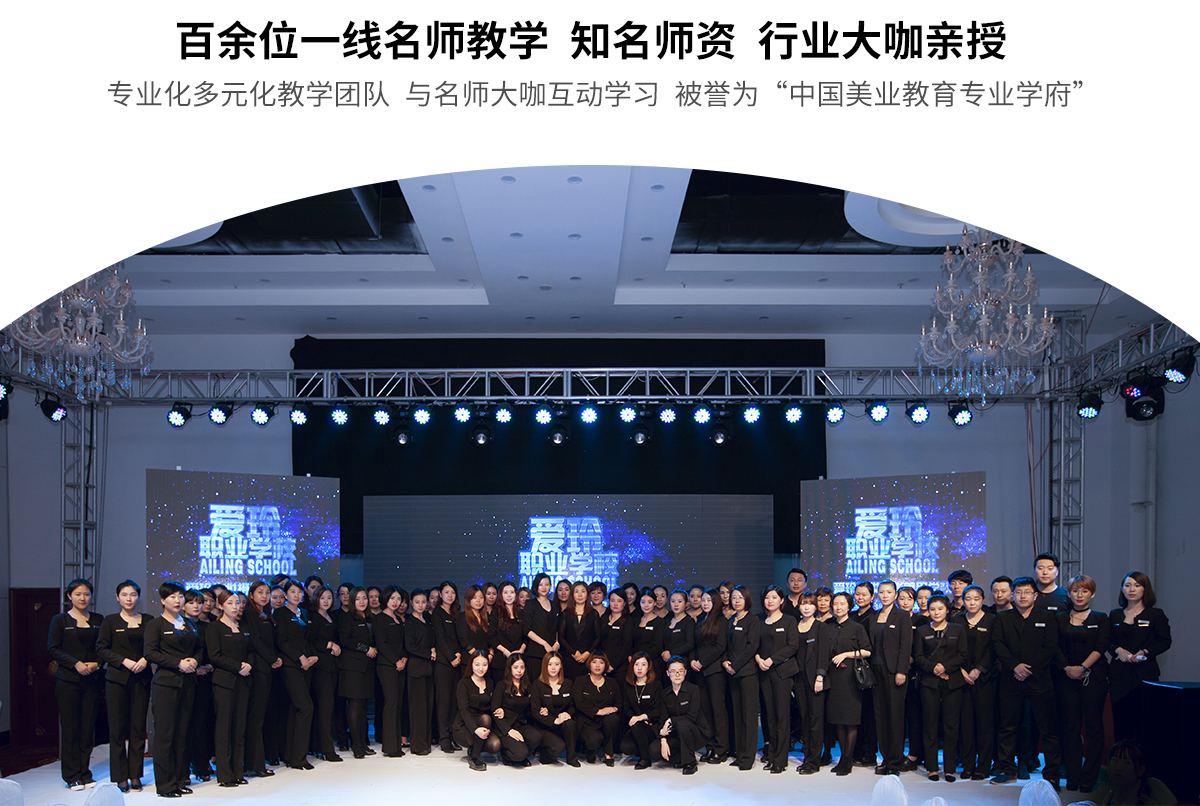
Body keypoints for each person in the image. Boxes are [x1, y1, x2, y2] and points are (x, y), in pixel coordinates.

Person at [990, 577, 1062, 789]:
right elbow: (998, 644)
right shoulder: (1002, 618)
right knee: (1007, 726)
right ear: (1013, 595)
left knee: (1047, 728)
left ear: (1035, 595)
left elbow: (1050, 646)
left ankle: (1052, 774)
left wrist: (1029, 668)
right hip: (1011, 679)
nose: (1022, 596)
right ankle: (1007, 769)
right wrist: (1015, 666)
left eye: (1027, 592)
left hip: (1039, 679)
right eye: (1019, 592)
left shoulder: (1047, 618)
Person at [143, 581, 201, 798]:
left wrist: (195, 660)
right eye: (172, 597)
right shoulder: (155, 625)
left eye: (180, 596)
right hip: (166, 684)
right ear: (162, 600)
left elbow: (200, 647)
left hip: (188, 683)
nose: (177, 601)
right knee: (165, 735)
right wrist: (178, 663)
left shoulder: (189, 623)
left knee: (182, 733)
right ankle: (165, 784)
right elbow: (150, 653)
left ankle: (179, 779)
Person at [1053, 574, 1108, 793]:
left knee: (1093, 728)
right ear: (1069, 594)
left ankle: (1089, 778)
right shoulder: (1059, 618)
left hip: (1092, 678)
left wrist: (1083, 667)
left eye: (1084, 591)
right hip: (1066, 678)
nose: (1079, 595)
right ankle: (1072, 776)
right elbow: (1054, 647)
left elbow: (1101, 646)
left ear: (1092, 594)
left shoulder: (1101, 618)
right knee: (1070, 728)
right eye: (1075, 591)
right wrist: (1068, 668)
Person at [48, 578, 104, 792]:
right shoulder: (60, 620)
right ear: (69, 596)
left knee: (88, 728)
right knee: (71, 728)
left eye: (86, 594)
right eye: (78, 594)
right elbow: (53, 648)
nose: (83, 598)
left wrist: (97, 663)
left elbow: (104, 647)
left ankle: (84, 772)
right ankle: (71, 775)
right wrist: (75, 663)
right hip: (68, 681)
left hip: (92, 680)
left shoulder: (98, 619)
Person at [97, 580, 151, 793]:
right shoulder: (110, 621)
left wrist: (145, 659)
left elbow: (154, 646)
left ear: (139, 597)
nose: (129, 599)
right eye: (125, 595)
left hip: (141, 678)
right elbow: (101, 648)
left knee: (138, 728)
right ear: (117, 598)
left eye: (133, 595)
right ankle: (120, 776)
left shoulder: (148, 620)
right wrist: (124, 661)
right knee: (117, 729)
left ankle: (135, 774)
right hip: (117, 680)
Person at [1108, 571, 1171, 744]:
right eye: (1127, 585)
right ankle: (1122, 758)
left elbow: (1165, 641)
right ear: (1122, 589)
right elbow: (1107, 641)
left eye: (1137, 585)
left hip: (1145, 674)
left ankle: (1145, 760)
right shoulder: (1115, 615)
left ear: (1145, 589)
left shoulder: (1155, 614)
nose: (1132, 589)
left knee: (1146, 723)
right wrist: (1117, 650)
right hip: (1119, 676)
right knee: (1121, 723)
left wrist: (1145, 652)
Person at [914, 593, 968, 782]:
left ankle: (950, 768)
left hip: (953, 682)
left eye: (940, 609)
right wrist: (934, 669)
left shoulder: (957, 629)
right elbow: (918, 657)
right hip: (929, 683)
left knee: (951, 725)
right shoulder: (922, 630)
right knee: (929, 725)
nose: (936, 612)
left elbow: (962, 654)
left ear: (947, 610)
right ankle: (932, 768)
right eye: (932, 609)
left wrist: (945, 667)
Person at [206, 589, 252, 787]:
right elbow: (214, 656)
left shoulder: (242, 627)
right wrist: (238, 666)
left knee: (239, 728)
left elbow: (250, 651)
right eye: (230, 603)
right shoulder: (214, 628)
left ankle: (238, 771)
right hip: (224, 682)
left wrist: (248, 664)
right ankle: (225, 775)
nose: (235, 607)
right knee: (224, 729)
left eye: (237, 603)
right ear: (220, 605)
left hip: (243, 681)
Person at [825, 591, 872, 776]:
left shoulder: (856, 627)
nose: (838, 607)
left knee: (850, 720)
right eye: (835, 604)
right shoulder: (828, 627)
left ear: (849, 606)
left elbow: (867, 651)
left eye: (842, 604)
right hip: (833, 677)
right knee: (838, 719)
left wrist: (846, 654)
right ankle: (843, 758)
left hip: (850, 678)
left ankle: (847, 760)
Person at [870, 580, 914, 775]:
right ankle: (886, 758)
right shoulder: (874, 616)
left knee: (894, 716)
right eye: (881, 592)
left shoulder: (902, 615)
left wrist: (901, 671)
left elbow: (906, 645)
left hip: (894, 671)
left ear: (895, 595)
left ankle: (895, 762)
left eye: (889, 592)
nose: (885, 595)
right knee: (880, 716)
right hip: (876, 670)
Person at [953, 584, 996, 781]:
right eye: (968, 599)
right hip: (961, 678)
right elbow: (952, 650)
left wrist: (978, 670)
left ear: (983, 600)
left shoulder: (992, 620)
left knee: (984, 724)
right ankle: (968, 764)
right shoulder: (957, 621)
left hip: (984, 678)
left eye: (976, 599)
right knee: (965, 724)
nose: (972, 603)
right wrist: (962, 671)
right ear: (963, 601)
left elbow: (992, 649)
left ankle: (983, 766)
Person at [756, 584, 800, 773]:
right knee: (770, 717)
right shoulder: (760, 622)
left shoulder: (789, 621)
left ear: (782, 600)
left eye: (774, 597)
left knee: (782, 717)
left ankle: (781, 760)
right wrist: (759, 659)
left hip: (782, 673)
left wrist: (772, 660)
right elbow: (754, 645)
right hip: (764, 673)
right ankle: (772, 755)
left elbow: (793, 646)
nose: (770, 601)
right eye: (767, 597)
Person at [275, 580, 316, 771]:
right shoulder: (280, 613)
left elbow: (309, 639)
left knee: (296, 710)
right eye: (292, 592)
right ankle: (299, 758)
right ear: (285, 595)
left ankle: (291, 755)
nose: (297, 595)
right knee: (306, 707)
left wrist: (312, 657)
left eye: (299, 592)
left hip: (306, 666)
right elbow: (282, 640)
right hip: (291, 665)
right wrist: (300, 657)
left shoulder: (304, 613)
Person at [243, 579, 281, 778]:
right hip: (258, 669)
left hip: (266, 668)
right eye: (260, 592)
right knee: (255, 718)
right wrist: (273, 659)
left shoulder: (265, 614)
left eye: (267, 592)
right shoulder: (250, 613)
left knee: (260, 717)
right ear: (251, 595)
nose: (265, 596)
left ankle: (256, 762)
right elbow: (256, 641)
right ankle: (254, 764)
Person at [722, 584, 761, 771]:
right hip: (732, 673)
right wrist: (725, 662)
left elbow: (751, 647)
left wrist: (735, 665)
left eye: (740, 597)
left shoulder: (752, 620)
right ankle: (739, 753)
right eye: (734, 597)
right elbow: (727, 645)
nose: (736, 601)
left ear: (747, 599)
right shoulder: (731, 620)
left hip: (747, 673)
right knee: (737, 715)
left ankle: (748, 757)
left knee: (749, 716)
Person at [793, 592, 831, 775]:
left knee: (815, 720)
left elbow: (824, 654)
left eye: (810, 603)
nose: (807, 607)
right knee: (805, 719)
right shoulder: (794, 626)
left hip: (815, 680)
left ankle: (814, 761)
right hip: (798, 679)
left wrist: (820, 676)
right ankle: (807, 756)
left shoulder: (821, 627)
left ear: (816, 607)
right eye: (803, 603)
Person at [338, 586, 377, 759]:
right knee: (354, 704)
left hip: (367, 668)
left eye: (364, 598)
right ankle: (356, 745)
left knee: (362, 706)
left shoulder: (370, 618)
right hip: (352, 668)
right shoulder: (347, 618)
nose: (362, 601)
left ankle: (363, 742)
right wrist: (365, 648)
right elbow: (345, 640)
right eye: (358, 598)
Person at [656, 656, 711, 775]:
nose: (677, 674)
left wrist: (671, 720)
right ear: (668, 673)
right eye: (673, 671)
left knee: (682, 724)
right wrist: (663, 740)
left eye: (680, 671)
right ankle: (681, 758)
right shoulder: (664, 694)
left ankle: (690, 763)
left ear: (685, 672)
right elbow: (662, 720)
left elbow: (692, 717)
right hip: (677, 735)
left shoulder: (693, 689)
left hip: (696, 733)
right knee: (654, 750)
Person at [306, 585, 343, 763]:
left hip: (332, 666)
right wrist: (328, 644)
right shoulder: (312, 617)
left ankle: (320, 746)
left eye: (329, 597)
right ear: (316, 599)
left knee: (328, 707)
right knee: (324, 707)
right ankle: (326, 749)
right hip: (320, 668)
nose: (326, 601)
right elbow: (310, 641)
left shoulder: (331, 616)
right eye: (322, 598)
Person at [692, 587, 729, 764]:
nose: (705, 603)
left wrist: (702, 662)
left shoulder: (721, 621)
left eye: (709, 600)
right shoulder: (701, 619)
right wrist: (694, 661)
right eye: (703, 600)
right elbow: (696, 644)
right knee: (705, 711)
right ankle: (710, 746)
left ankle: (721, 749)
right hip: (700, 671)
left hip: (715, 671)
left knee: (717, 710)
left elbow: (720, 647)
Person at [181, 590, 214, 782]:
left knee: (202, 723)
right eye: (192, 602)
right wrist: (194, 668)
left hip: (206, 680)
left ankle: (202, 765)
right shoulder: (178, 625)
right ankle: (184, 768)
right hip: (184, 677)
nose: (197, 606)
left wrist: (208, 666)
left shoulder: (207, 626)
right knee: (185, 725)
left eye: (199, 602)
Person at [373, 585, 409, 758]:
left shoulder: (398, 619)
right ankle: (389, 746)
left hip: (401, 665)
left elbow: (402, 643)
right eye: (392, 598)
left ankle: (396, 744)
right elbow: (382, 643)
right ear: (385, 598)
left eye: (398, 599)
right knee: (391, 703)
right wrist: (396, 660)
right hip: (387, 666)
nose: (396, 602)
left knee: (398, 704)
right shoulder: (379, 619)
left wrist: (404, 658)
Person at [491, 654, 542, 767]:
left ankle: (522, 755)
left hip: (520, 724)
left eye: (522, 667)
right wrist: (509, 730)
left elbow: (530, 710)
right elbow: (495, 711)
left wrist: (542, 710)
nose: (519, 670)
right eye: (515, 667)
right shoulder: (501, 685)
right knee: (519, 753)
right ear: (510, 668)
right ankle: (507, 755)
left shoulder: (528, 686)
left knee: (536, 737)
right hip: (504, 725)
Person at [1090, 740, 1179, 805]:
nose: (1118, 767)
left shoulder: (1152, 786)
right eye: (1115, 760)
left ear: (1141, 770)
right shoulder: (1110, 797)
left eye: (1127, 762)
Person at [531, 651, 580, 766]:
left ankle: (572, 758)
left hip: (562, 724)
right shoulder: (537, 684)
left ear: (561, 666)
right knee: (558, 747)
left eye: (556, 664)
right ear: (545, 666)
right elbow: (535, 711)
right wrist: (554, 720)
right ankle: (544, 753)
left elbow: (573, 706)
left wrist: (568, 714)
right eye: (550, 664)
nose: (553, 668)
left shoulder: (568, 683)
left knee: (571, 724)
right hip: (544, 726)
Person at [453, 650, 499, 771]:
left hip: (484, 724)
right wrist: (475, 729)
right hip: (464, 726)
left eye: (484, 664)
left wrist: (499, 710)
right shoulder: (464, 683)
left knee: (495, 745)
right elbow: (464, 710)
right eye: (477, 664)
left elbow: (492, 706)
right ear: (471, 665)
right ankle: (475, 756)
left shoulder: (490, 682)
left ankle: (475, 747)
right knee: (485, 718)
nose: (481, 668)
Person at [432, 580, 463, 753]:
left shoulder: (456, 613)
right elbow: (441, 639)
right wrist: (451, 657)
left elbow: (459, 637)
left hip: (456, 663)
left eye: (452, 592)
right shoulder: (437, 613)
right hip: (444, 663)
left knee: (453, 702)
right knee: (443, 702)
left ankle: (452, 736)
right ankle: (444, 739)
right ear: (440, 595)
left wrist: (458, 654)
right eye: (446, 592)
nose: (450, 595)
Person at [573, 652, 621, 764]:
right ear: (589, 664)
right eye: (594, 662)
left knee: (613, 719)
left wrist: (614, 709)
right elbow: (579, 703)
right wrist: (598, 711)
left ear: (605, 665)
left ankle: (608, 753)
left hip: (606, 720)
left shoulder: (612, 682)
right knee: (594, 739)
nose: (598, 665)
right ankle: (590, 752)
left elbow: (619, 702)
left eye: (601, 662)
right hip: (587, 720)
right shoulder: (580, 681)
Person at [404, 588, 436, 755]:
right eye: (417, 602)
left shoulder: (427, 620)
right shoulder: (410, 622)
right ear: (411, 603)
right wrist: (428, 653)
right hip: (416, 669)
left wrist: (433, 649)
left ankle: (425, 742)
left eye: (423, 602)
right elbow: (410, 646)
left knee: (427, 708)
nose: (421, 605)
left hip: (428, 670)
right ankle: (417, 745)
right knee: (417, 709)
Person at [851, 580, 879, 768]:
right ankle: (855, 751)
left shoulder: (875, 617)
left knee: (869, 714)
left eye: (864, 594)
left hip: (868, 669)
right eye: (857, 594)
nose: (860, 597)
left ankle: (869, 753)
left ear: (872, 597)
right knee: (855, 712)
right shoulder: (851, 616)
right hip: (851, 670)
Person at [621, 652, 663, 770]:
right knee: (625, 747)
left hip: (652, 725)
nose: (639, 668)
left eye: (643, 664)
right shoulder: (628, 685)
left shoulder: (656, 685)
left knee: (638, 726)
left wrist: (642, 717)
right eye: (636, 664)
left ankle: (645, 759)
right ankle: (643, 749)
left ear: (649, 667)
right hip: (636, 725)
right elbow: (626, 708)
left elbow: (658, 709)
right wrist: (636, 719)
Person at [521, 573, 559, 685]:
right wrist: (544, 644)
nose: (544, 587)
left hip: (553, 652)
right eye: (541, 584)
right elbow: (527, 630)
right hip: (536, 652)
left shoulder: (555, 605)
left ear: (550, 586)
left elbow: (558, 627)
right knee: (536, 685)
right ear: (536, 586)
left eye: (547, 584)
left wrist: (557, 643)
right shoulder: (530, 604)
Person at [560, 580, 600, 679]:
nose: (580, 595)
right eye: (576, 591)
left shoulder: (593, 614)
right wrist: (573, 652)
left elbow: (598, 637)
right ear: (572, 594)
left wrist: (588, 653)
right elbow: (561, 637)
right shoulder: (565, 613)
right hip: (569, 658)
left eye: (583, 591)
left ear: (587, 594)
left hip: (588, 659)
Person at [490, 581, 526, 683]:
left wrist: (521, 650)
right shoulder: (495, 613)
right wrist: (505, 652)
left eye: (512, 592)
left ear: (516, 594)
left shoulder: (521, 613)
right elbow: (491, 637)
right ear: (501, 594)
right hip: (500, 661)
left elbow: (526, 635)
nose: (509, 595)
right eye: (505, 592)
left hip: (519, 661)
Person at [599, 588, 633, 682]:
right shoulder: (604, 618)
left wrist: (613, 665)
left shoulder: (628, 621)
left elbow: (626, 645)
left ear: (624, 603)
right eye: (612, 600)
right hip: (602, 665)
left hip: (620, 667)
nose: (615, 604)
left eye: (619, 601)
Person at [633, 588, 667, 679]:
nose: (646, 605)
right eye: (643, 602)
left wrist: (644, 661)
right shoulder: (635, 621)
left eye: (649, 602)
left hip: (653, 663)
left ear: (655, 603)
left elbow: (657, 646)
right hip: (636, 663)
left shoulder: (660, 622)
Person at [662, 589, 696, 673]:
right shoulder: (666, 621)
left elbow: (690, 644)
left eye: (680, 601)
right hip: (666, 663)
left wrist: (671, 653)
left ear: (686, 603)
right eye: (673, 601)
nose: (676, 604)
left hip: (682, 663)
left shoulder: (689, 621)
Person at [457, 584, 492, 662]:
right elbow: (463, 639)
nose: (478, 600)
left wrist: (490, 654)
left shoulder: (487, 616)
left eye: (481, 597)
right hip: (469, 659)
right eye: (474, 597)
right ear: (469, 599)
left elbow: (491, 638)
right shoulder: (463, 616)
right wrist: (477, 656)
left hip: (485, 660)